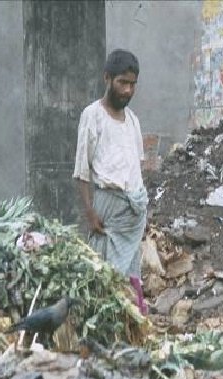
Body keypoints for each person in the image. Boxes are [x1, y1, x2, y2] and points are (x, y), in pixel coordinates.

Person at [73, 49, 148, 315]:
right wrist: (90, 212)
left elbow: (136, 166)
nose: (127, 90)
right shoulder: (92, 116)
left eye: (132, 84)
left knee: (130, 270)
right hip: (108, 208)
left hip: (132, 211)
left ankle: (132, 324)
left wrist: (139, 207)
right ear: (107, 78)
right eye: (122, 83)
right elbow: (82, 170)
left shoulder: (133, 121)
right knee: (105, 274)